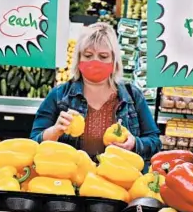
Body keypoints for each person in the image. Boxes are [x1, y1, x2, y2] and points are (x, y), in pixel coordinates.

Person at [30, 23, 161, 163]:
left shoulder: (132, 96)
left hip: (119, 180)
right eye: (88, 55)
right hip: (71, 180)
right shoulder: (59, 95)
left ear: (114, 60)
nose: (95, 62)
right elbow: (33, 144)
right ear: (79, 59)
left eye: (103, 56)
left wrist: (134, 143)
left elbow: (154, 142)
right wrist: (55, 131)